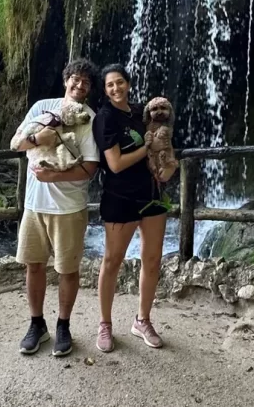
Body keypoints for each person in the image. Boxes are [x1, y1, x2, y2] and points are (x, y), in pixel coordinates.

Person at [10, 58, 101, 357]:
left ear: (89, 90)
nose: (79, 85)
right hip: (35, 204)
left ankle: (63, 325)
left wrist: (55, 175)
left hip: (69, 208)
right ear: (66, 80)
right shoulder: (40, 107)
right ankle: (37, 324)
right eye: (75, 79)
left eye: (85, 83)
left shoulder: (88, 118)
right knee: (33, 265)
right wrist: (40, 138)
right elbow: (17, 143)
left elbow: (90, 168)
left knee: (67, 270)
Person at [92, 63, 168, 353]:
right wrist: (146, 150)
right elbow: (115, 164)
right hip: (119, 198)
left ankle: (142, 320)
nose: (116, 88)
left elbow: (162, 139)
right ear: (105, 89)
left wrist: (164, 164)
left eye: (120, 82)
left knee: (152, 260)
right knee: (112, 261)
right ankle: (104, 324)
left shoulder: (141, 112)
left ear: (128, 83)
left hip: (151, 196)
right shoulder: (105, 118)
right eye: (110, 84)